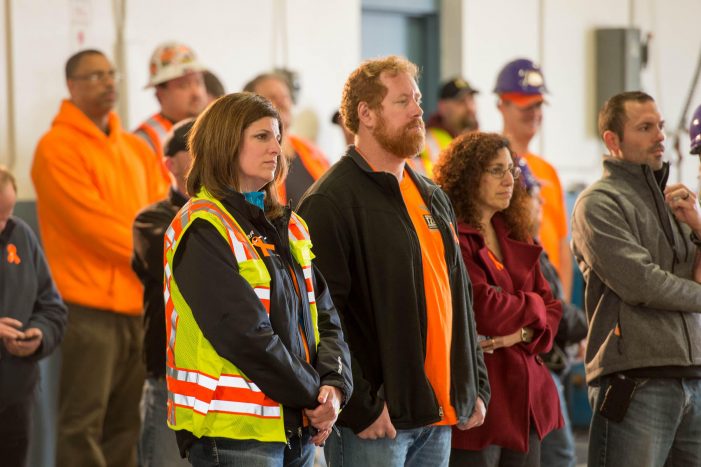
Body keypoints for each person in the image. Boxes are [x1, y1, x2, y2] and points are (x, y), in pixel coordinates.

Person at [297, 55, 490, 467]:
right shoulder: (331, 201)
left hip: (437, 415)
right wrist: (363, 405)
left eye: (417, 99)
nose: (419, 111)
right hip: (376, 424)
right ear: (366, 114)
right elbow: (323, 317)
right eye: (403, 101)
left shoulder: (431, 195)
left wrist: (474, 383)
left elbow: (458, 297)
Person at [164, 92, 352, 466]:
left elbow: (327, 317)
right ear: (225, 142)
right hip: (234, 431)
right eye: (262, 136)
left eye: (278, 136)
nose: (277, 148)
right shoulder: (203, 225)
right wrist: (314, 395)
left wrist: (335, 386)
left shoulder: (290, 225)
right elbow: (244, 335)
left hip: (296, 424)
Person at [31, 49, 167, 467]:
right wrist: (161, 249)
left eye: (112, 74)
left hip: (136, 305)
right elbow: (93, 227)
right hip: (87, 309)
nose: (108, 83)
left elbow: (159, 209)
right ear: (71, 86)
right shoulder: (55, 149)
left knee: (127, 423)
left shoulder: (135, 148)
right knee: (82, 423)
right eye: (95, 76)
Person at [572, 91, 701, 466]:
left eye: (659, 126)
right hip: (636, 382)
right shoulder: (597, 204)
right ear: (613, 140)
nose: (659, 136)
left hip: (691, 378)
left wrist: (696, 225)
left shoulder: (675, 205)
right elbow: (641, 284)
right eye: (645, 128)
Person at [434, 132, 562, 466]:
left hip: (527, 399)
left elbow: (553, 311)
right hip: (481, 400)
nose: (509, 180)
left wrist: (519, 331)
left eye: (511, 171)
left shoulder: (515, 231)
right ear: (468, 177)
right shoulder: (453, 236)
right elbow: (484, 308)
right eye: (496, 170)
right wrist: (532, 310)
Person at [517, 157, 587, 467]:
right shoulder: (520, 250)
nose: (541, 202)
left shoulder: (530, 246)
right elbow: (552, 311)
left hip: (545, 367)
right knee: (560, 458)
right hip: (539, 370)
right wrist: (592, 325)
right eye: (533, 194)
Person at [132, 119, 195, 467]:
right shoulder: (151, 220)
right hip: (169, 378)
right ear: (169, 164)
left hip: (221, 382)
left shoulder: (238, 216)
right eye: (193, 150)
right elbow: (183, 267)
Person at [0, 167, 67, 467]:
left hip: (16, 393)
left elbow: (52, 307)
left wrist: (39, 335)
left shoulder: (21, 235)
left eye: (7, 214)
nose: (3, 225)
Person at [495, 58, 573, 301]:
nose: (535, 114)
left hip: (550, 298)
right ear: (502, 106)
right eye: (526, 107)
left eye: (538, 105)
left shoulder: (547, 171)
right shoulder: (488, 167)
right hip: (517, 298)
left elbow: (562, 245)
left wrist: (563, 307)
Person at [244, 73, 330, 206]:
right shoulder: (248, 160)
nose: (282, 102)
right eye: (272, 97)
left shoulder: (313, 152)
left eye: (285, 96)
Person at [134, 42, 207, 160]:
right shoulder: (144, 141)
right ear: (160, 95)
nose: (196, 93)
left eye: (198, 82)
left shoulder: (215, 129)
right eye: (184, 86)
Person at [411, 77, 479, 178]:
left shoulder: (479, 142)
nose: (469, 107)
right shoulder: (423, 144)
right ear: (442, 107)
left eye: (471, 100)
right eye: (461, 102)